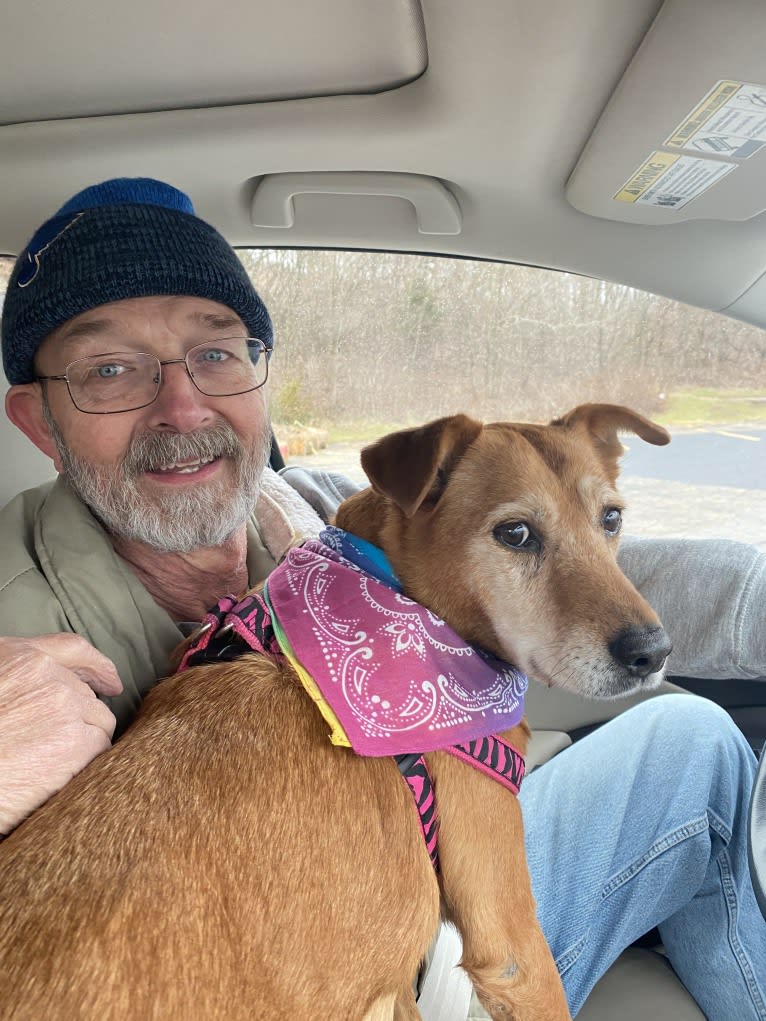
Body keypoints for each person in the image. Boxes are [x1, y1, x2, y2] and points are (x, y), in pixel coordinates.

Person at [0, 177, 764, 1020]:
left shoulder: (317, 510)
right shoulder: (13, 631)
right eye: (110, 370)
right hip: (358, 975)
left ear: (258, 378)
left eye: (218, 353)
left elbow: (580, 552)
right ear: (38, 423)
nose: (183, 408)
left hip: (410, 888)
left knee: (693, 733)